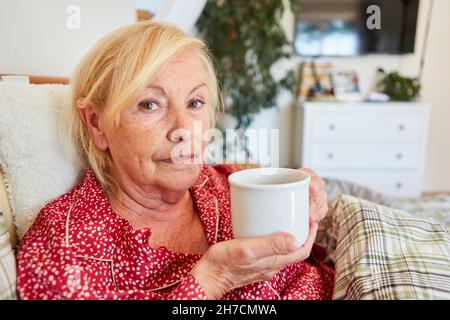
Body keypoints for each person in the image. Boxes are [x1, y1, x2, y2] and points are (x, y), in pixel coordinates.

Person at [16, 21, 334, 300]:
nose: (184, 130)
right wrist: (211, 281)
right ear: (97, 124)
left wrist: (312, 202)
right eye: (150, 104)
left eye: (195, 102)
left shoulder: (230, 186)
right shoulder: (65, 241)